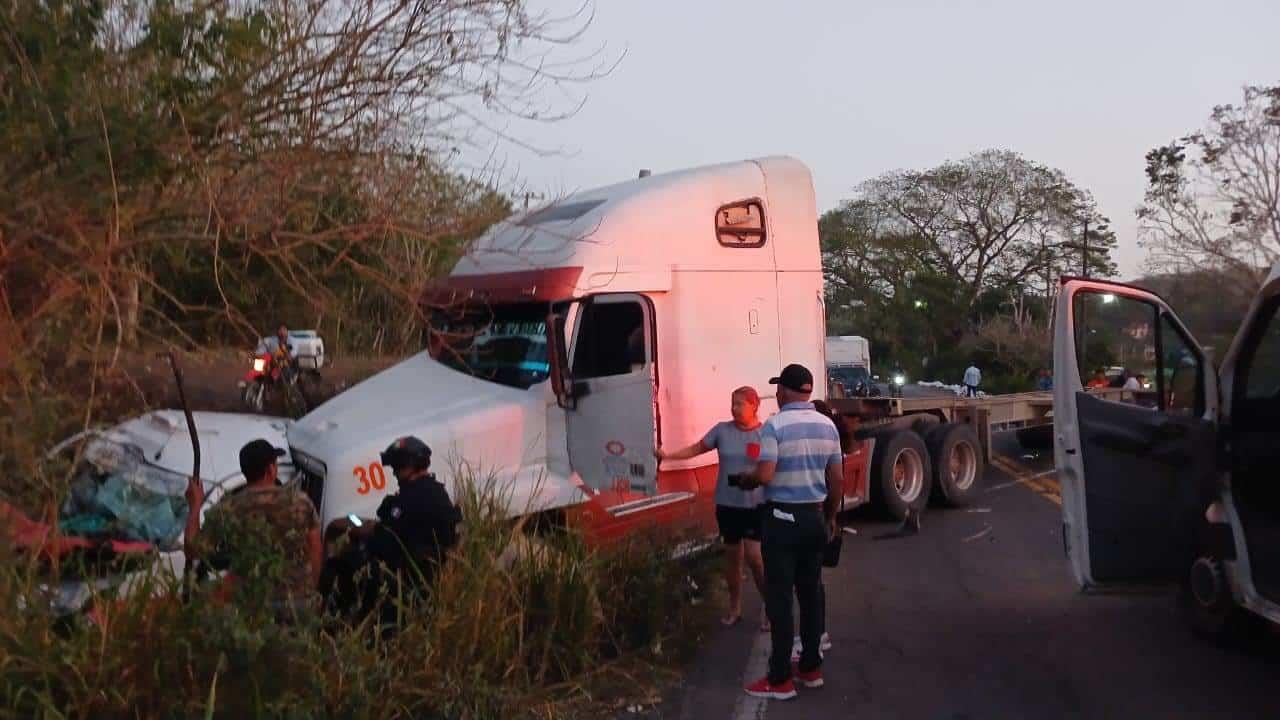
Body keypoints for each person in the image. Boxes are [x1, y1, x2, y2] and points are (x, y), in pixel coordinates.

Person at [739, 364, 842, 700]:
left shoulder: (775, 425)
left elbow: (766, 474)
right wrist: (830, 518)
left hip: (781, 519)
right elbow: (837, 480)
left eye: (779, 388)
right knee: (811, 595)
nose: (777, 394)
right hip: (814, 518)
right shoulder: (828, 426)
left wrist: (748, 478)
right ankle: (811, 668)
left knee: (780, 599)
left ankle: (780, 678)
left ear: (785, 390)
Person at [656, 387, 768, 630]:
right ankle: (735, 607)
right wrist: (668, 456)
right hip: (728, 505)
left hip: (754, 506)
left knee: (755, 558)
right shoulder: (722, 430)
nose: (734, 408)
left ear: (754, 406)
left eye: (740, 404)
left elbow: (772, 469)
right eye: (732, 403)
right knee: (732, 560)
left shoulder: (765, 434)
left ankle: (770, 606)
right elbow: (697, 449)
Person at [330, 436, 460, 624]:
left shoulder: (407, 500)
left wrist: (361, 532)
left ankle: (342, 623)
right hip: (428, 578)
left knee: (342, 562)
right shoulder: (438, 493)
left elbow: (384, 543)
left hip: (401, 583)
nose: (394, 474)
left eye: (396, 468)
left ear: (408, 466)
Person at [184, 439, 323, 614]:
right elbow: (315, 549)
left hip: (253, 607)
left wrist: (195, 505)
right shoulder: (301, 503)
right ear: (270, 470)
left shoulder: (229, 509)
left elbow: (193, 550)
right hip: (297, 603)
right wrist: (311, 591)